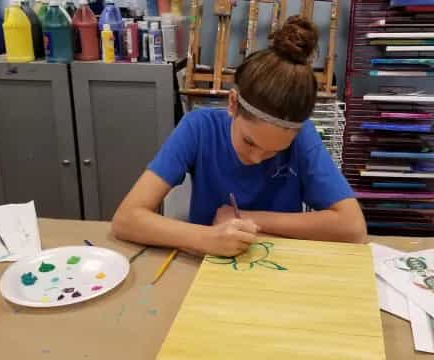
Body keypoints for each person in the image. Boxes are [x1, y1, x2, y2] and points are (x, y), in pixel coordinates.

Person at [112, 15, 367, 257]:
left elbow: (353, 228)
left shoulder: (303, 136)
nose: (257, 158)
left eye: (274, 151)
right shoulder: (198, 128)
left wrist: (247, 217)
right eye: (249, 142)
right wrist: (205, 238)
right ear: (232, 103)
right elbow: (126, 219)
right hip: (206, 267)